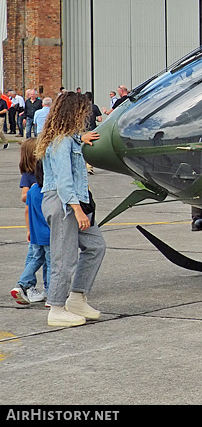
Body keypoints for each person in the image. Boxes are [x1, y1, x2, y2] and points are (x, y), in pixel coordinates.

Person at [37, 93, 104, 327]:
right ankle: (56, 308)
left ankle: (76, 297)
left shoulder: (66, 138)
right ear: (73, 112)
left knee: (95, 246)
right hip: (63, 202)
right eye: (83, 111)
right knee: (63, 258)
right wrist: (76, 210)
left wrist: (80, 137)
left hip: (73, 200)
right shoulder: (60, 142)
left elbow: (71, 142)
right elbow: (64, 181)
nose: (86, 115)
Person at [11, 140, 49, 305]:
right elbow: (24, 198)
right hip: (44, 228)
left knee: (35, 257)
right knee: (46, 259)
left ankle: (27, 286)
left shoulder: (34, 181)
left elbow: (27, 208)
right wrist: (36, 193)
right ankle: (27, 284)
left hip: (34, 228)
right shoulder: (34, 178)